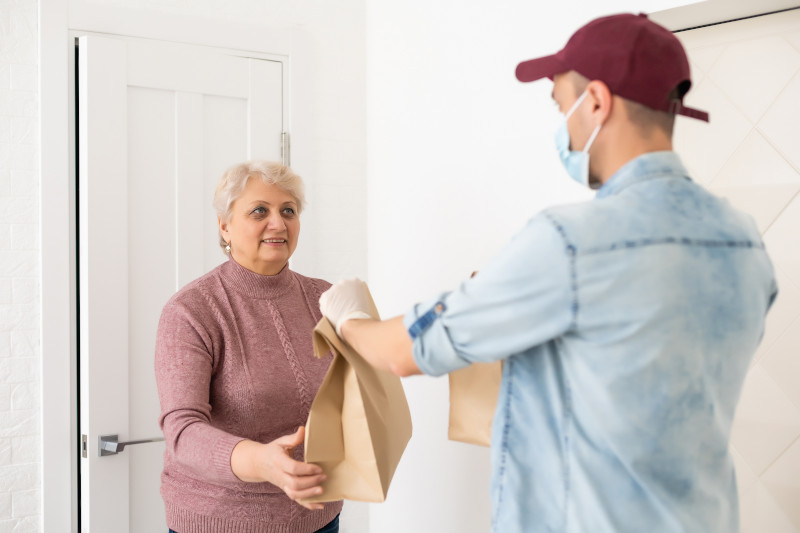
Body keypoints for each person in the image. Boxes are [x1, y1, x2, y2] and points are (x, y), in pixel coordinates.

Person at [319, 13, 777, 533]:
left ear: (598, 103)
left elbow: (402, 353)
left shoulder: (570, 244)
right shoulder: (743, 240)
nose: (564, 126)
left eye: (563, 107)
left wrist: (348, 315)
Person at [155, 161, 342, 533]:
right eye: (260, 210)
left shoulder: (326, 298)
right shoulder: (192, 310)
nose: (278, 223)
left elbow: (350, 392)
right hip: (220, 522)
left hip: (319, 517)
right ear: (225, 225)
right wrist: (262, 462)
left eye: (288, 210)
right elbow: (182, 431)